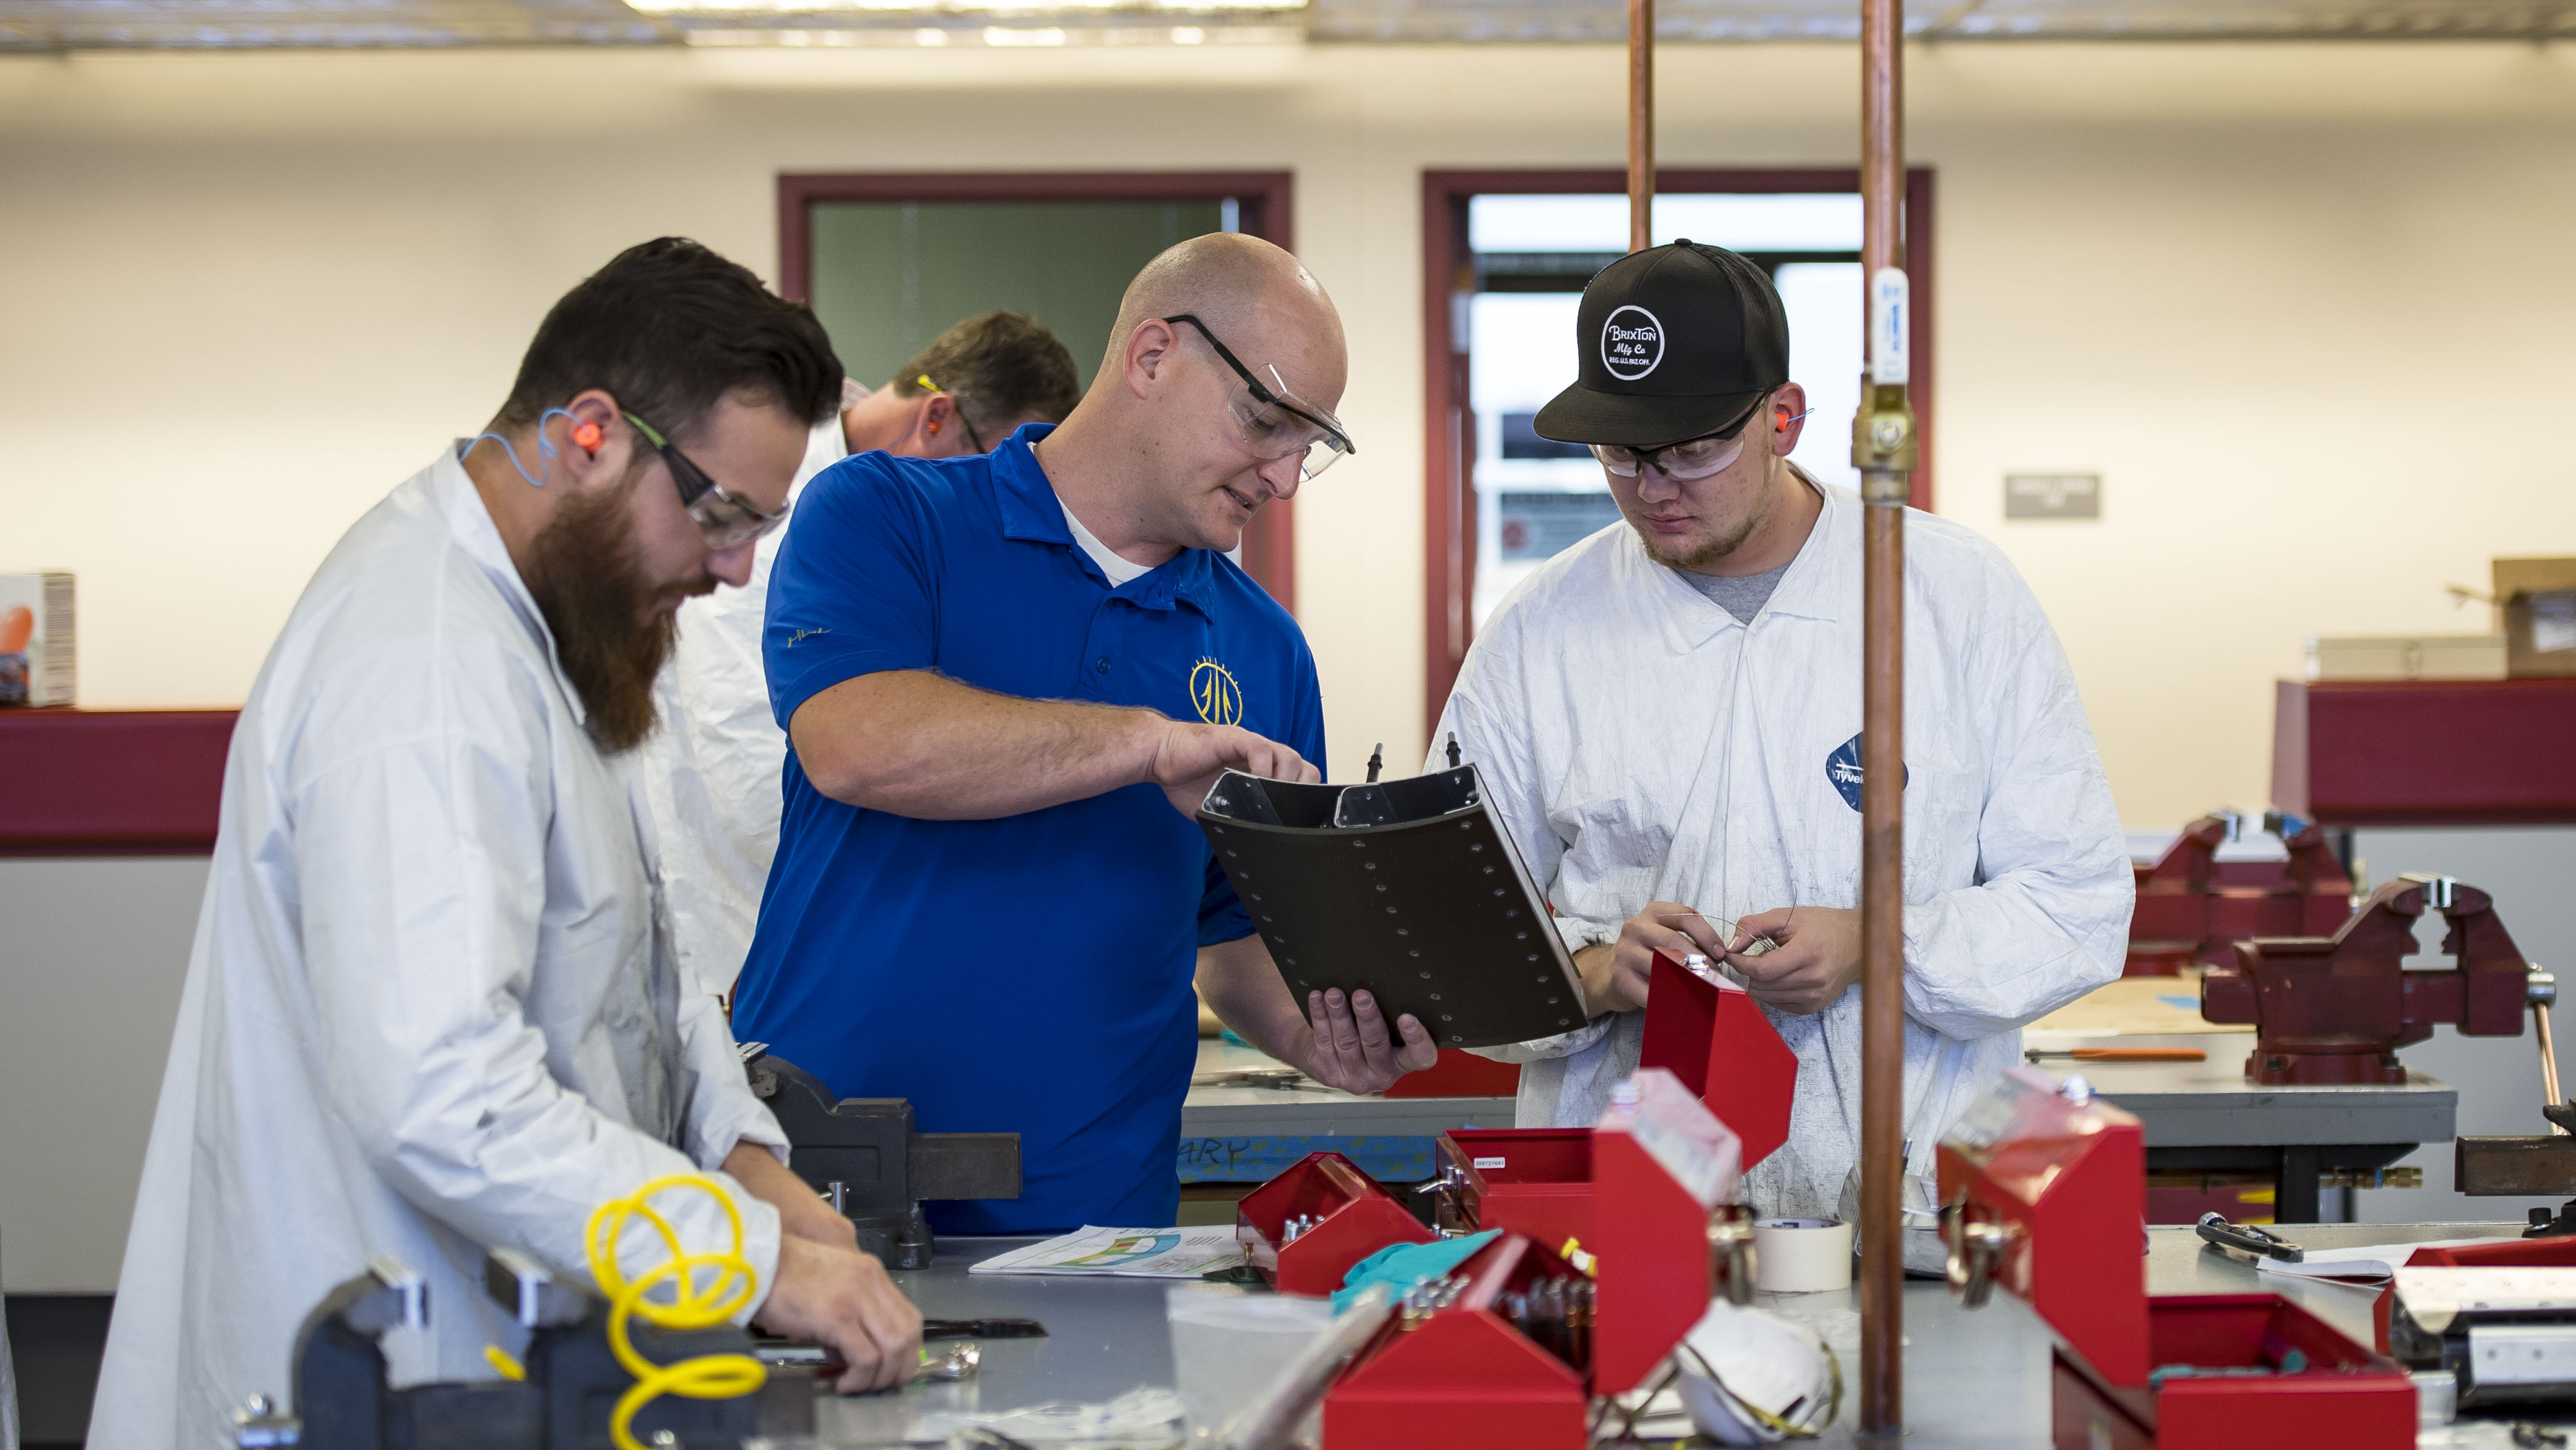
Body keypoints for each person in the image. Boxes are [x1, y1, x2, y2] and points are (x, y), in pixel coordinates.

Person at [60, 238, 923, 1450]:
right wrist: (756, 1260)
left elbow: (634, 949)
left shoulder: (549, 630)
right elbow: (442, 1092)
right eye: (718, 513)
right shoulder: (424, 664)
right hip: (377, 1395)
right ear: (588, 432)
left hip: (501, 1359)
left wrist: (741, 1154)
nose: (730, 571)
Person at [733, 232, 1436, 1233]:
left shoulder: (1264, 652)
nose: (1282, 477)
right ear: (1154, 357)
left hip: (1089, 1226)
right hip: (820, 1190)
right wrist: (1147, 743)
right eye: (1266, 421)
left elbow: (1233, 939)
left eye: (1308, 445)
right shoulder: (886, 513)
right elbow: (856, 743)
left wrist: (1326, 1038)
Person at [1439, 239, 2132, 1223]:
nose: (1653, 488)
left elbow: (2078, 905)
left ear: (1784, 418)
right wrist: (1593, 972)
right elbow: (1453, 934)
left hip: (1914, 1211)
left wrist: (1881, 946)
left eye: (1690, 450)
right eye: (1619, 456)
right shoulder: (1541, 629)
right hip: (1636, 1217)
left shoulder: (1948, 597)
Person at [644, 310, 1081, 998]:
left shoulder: (909, 519)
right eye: (990, 463)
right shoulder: (776, 502)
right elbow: (743, 757)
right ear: (936, 417)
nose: (991, 498)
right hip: (735, 917)